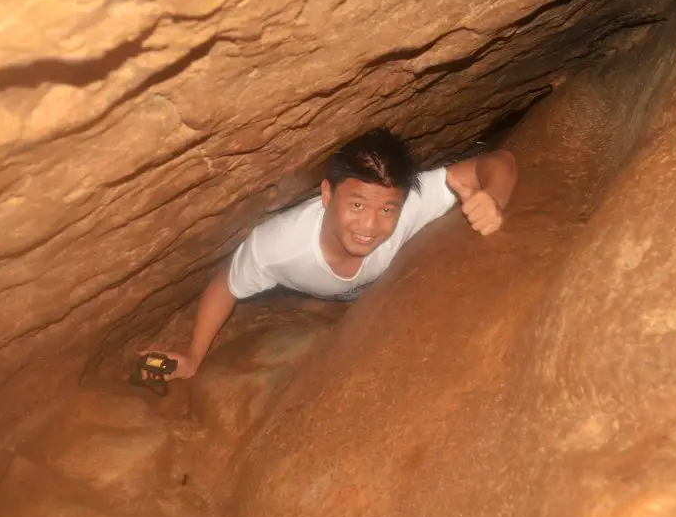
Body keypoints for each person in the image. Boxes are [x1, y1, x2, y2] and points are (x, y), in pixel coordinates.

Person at [142, 127, 517, 380]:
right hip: (326, 298)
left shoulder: (410, 203)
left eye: (387, 210)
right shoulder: (279, 246)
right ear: (326, 194)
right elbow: (226, 283)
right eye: (356, 206)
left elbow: (500, 162)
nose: (370, 225)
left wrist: (494, 198)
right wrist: (193, 356)